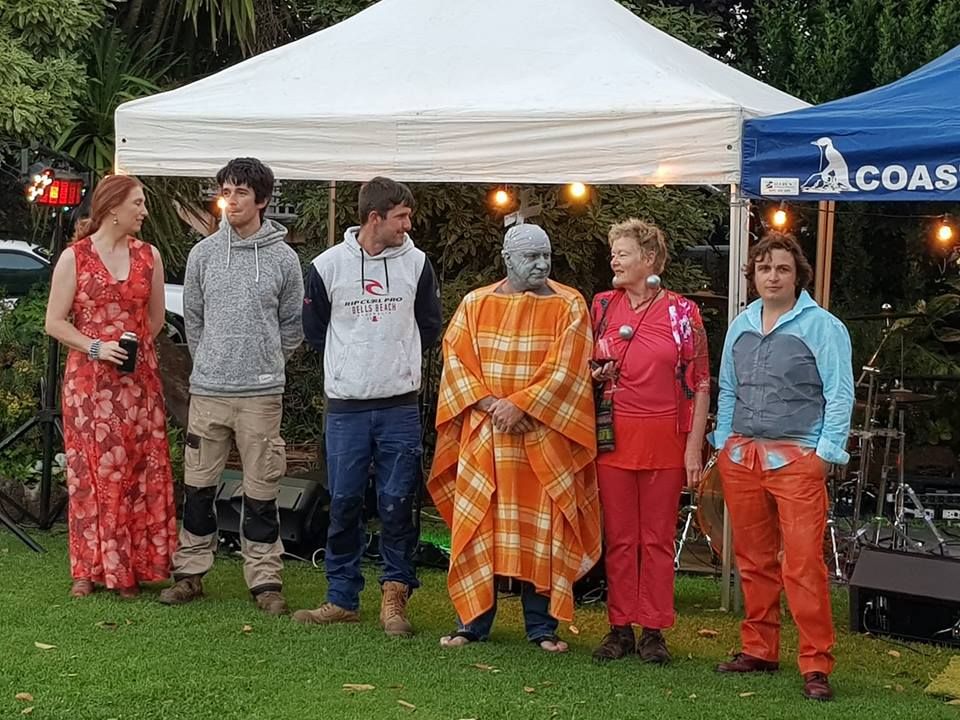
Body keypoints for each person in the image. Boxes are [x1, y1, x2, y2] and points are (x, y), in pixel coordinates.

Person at [428, 223, 602, 653]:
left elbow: (568, 368)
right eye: (531, 257)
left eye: (547, 256)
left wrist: (523, 405)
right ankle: (472, 621)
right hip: (486, 435)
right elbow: (457, 363)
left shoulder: (569, 305)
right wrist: (494, 406)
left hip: (543, 437)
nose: (542, 264)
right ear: (507, 258)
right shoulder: (475, 303)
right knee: (479, 525)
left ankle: (541, 627)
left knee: (545, 528)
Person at [295, 177, 442, 636]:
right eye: (400, 216)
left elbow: (430, 327)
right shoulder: (326, 266)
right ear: (374, 217)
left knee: (399, 503)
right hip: (346, 408)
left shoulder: (417, 264)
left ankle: (395, 596)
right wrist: (349, 367)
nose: (408, 224)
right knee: (344, 502)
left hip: (399, 405)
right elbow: (314, 331)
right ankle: (342, 597)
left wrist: (396, 363)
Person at [711, 231, 853, 701]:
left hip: (797, 460)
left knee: (803, 564)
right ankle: (760, 649)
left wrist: (826, 454)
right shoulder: (741, 323)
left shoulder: (823, 326)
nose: (773, 276)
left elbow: (840, 394)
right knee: (752, 561)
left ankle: (815, 663)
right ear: (753, 275)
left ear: (798, 276)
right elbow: (727, 388)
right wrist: (721, 440)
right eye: (765, 268)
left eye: (782, 268)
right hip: (741, 458)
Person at [159, 158, 304, 616]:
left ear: (262, 200)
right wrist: (210, 363)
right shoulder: (203, 255)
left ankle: (265, 580)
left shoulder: (284, 258)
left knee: (262, 489)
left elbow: (293, 325)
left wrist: (265, 364)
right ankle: (190, 574)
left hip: (261, 395)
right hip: (208, 391)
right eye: (226, 190)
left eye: (242, 192)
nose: (232, 200)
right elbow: (194, 318)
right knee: (198, 486)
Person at [45, 174, 177, 598]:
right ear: (112, 208)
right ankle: (89, 568)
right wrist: (96, 347)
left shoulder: (149, 256)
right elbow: (54, 322)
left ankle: (132, 568)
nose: (144, 211)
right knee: (92, 475)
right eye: (138, 203)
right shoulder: (75, 258)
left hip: (138, 383)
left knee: (139, 471)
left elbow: (155, 319)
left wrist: (134, 349)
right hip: (89, 386)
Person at [588, 219, 710, 664]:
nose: (614, 260)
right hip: (614, 435)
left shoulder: (683, 312)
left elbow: (700, 383)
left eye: (622, 253)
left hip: (666, 437)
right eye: (614, 252)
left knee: (657, 538)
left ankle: (654, 629)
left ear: (651, 260)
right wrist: (596, 373)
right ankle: (619, 626)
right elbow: (588, 366)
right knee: (620, 538)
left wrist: (694, 447)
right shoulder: (602, 305)